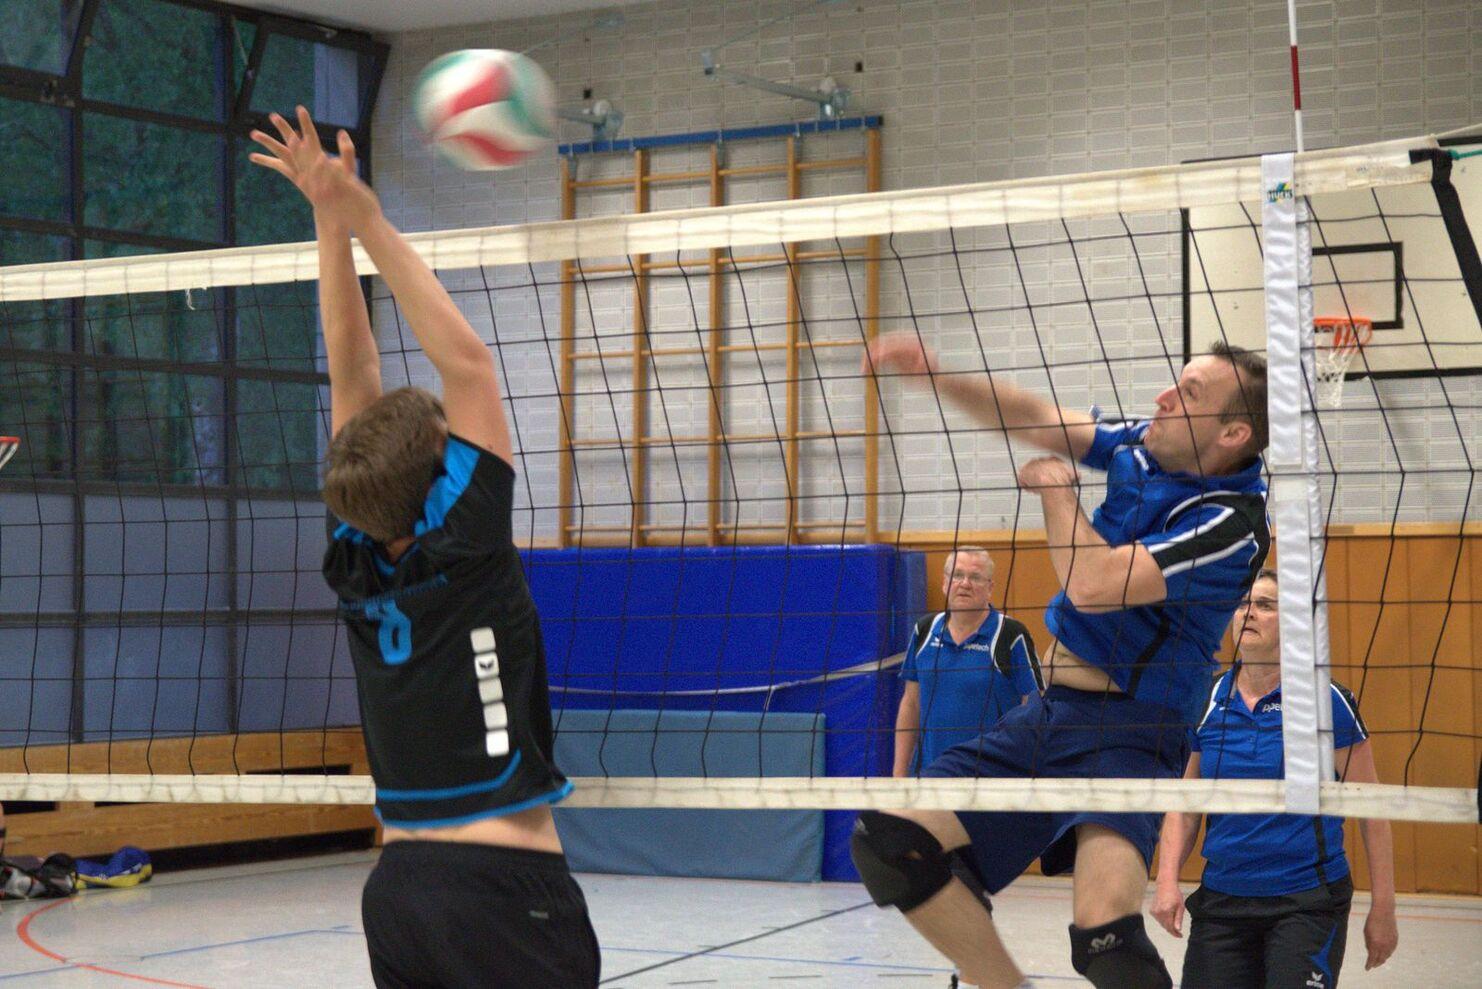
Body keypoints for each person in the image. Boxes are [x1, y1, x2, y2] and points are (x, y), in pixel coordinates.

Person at [249, 108, 599, 989]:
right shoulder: (468, 543)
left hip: (397, 892)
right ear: (443, 468)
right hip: (502, 891)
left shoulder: (352, 555)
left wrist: (330, 219)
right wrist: (360, 213)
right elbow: (468, 366)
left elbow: (349, 366)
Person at [851, 332, 1270, 989]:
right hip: (1048, 716)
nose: (1163, 397)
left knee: (1104, 936)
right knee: (892, 842)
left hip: (1132, 733)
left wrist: (1054, 487)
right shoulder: (1144, 444)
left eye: (1188, 395)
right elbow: (1038, 417)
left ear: (1232, 433)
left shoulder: (1230, 521)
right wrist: (936, 374)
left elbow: (1093, 584)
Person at [1152, 568, 1397, 989]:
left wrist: (1384, 909)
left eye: (1264, 605)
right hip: (1224, 901)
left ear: (1294, 622)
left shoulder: (1325, 702)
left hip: (1306, 901)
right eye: (1242, 604)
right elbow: (1186, 805)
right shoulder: (1207, 699)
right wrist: (1166, 880)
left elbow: (1372, 813)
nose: (1248, 613)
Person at [894, 547, 1041, 778]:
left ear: (990, 588)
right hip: (930, 775)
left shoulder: (1010, 634)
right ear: (944, 583)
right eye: (957, 575)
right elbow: (910, 703)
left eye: (975, 577)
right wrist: (898, 775)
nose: (965, 584)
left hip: (992, 778)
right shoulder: (924, 630)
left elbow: (1033, 704)